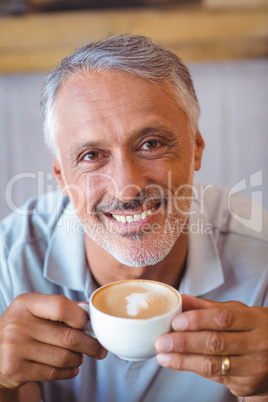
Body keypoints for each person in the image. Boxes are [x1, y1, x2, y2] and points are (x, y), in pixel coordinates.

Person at [0, 34, 267, 402]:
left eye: (151, 144)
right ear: (62, 176)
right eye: (92, 155)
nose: (127, 189)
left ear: (196, 150)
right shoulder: (9, 262)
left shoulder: (262, 257)